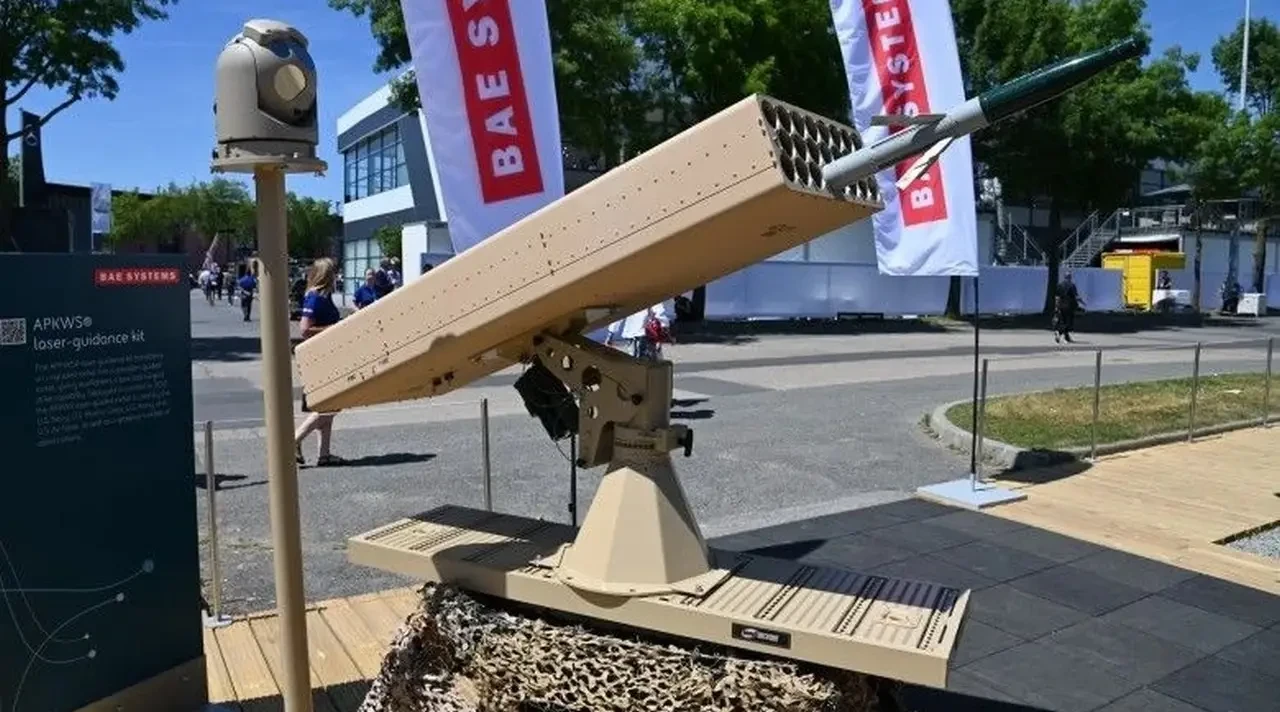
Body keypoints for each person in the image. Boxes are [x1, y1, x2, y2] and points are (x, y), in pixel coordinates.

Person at [293, 258, 346, 466]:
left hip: (327, 355)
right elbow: (305, 329)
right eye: (334, 272)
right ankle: (295, 439)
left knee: (328, 406)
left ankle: (324, 454)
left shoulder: (323, 296)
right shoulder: (315, 298)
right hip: (320, 358)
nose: (337, 276)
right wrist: (335, 328)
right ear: (327, 274)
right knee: (333, 405)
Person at [605, 300, 675, 360]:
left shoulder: (628, 298)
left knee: (638, 363)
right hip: (645, 334)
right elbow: (660, 313)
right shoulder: (650, 296)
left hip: (637, 335)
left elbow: (618, 315)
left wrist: (610, 334)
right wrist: (665, 329)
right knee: (649, 362)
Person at [1053, 271, 1084, 343]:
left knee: (1063, 321)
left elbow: (1057, 297)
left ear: (1064, 277)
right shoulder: (1072, 285)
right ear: (1070, 277)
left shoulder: (1060, 285)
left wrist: (1056, 307)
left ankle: (1066, 337)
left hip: (1061, 306)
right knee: (1069, 323)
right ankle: (1059, 333)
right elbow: (1076, 296)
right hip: (1069, 306)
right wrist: (1082, 302)